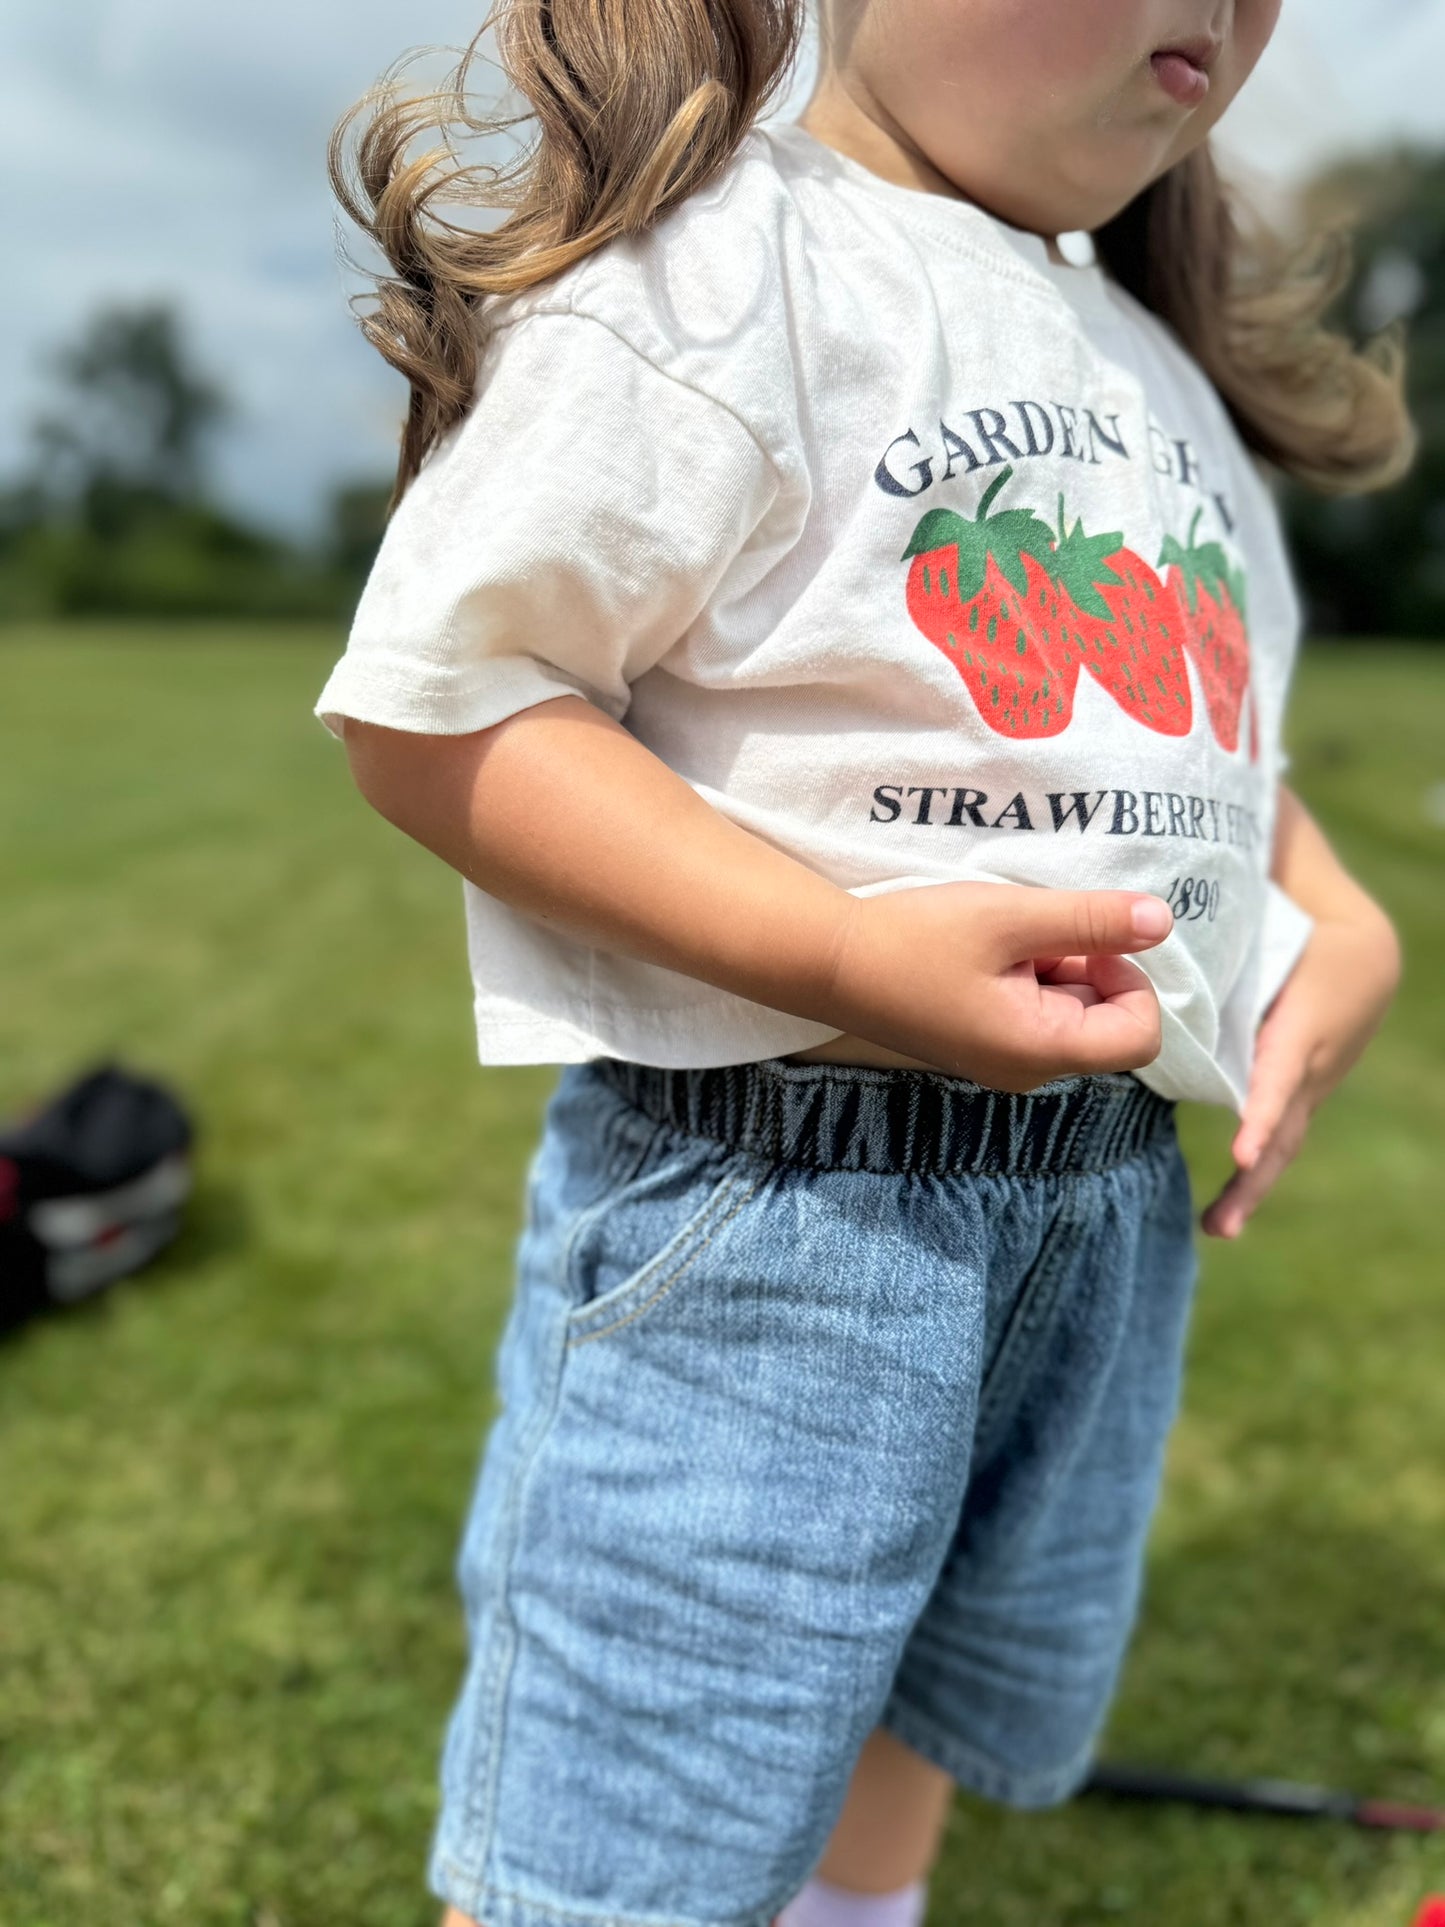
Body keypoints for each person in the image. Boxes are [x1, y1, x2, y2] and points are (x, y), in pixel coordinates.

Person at [315, 2, 1411, 1922]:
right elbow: (449, 702)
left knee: (946, 1671)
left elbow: (1201, 743)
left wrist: (1346, 917)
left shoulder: (1147, 372)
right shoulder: (728, 274)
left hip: (1099, 1213)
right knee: (649, 1761)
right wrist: (837, 945)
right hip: (776, 1208)